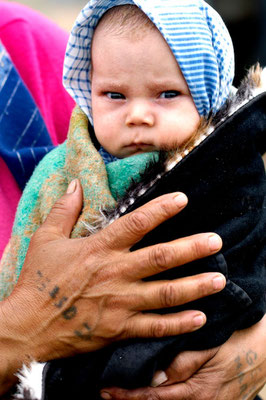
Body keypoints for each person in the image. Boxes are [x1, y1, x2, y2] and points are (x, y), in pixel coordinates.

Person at [0, 1, 265, 399]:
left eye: (167, 94)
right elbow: (20, 253)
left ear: (209, 93)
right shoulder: (62, 173)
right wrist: (20, 327)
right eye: (114, 96)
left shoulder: (21, 47)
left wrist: (255, 345)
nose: (137, 114)